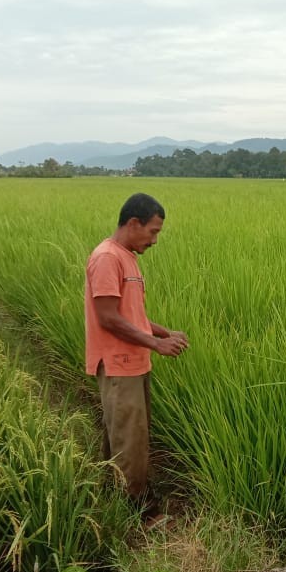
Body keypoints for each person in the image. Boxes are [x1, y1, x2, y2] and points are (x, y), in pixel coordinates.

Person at [85, 192, 188, 512]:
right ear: (133, 223)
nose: (155, 240)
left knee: (127, 433)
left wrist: (163, 331)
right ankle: (135, 510)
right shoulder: (107, 257)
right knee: (128, 438)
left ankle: (115, 499)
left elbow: (131, 315)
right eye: (153, 231)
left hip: (133, 361)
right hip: (118, 363)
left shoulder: (126, 257)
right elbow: (108, 317)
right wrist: (156, 344)